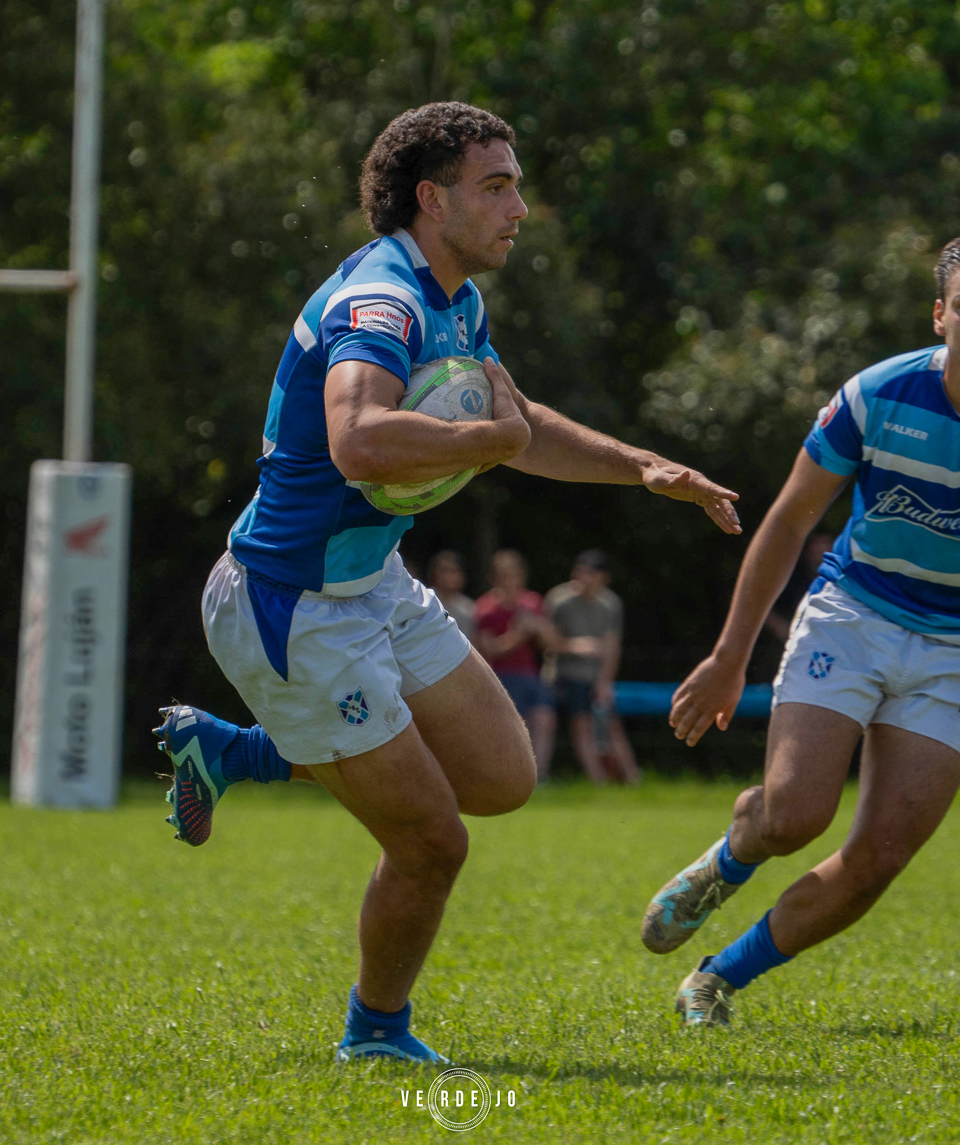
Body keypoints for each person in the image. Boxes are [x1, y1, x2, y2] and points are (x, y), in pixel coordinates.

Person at [153, 102, 740, 1063]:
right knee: (432, 842)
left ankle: (231, 753)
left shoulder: (456, 299)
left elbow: (521, 421)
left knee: (502, 779)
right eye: (496, 187)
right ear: (431, 199)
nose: (519, 207)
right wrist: (489, 442)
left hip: (373, 583)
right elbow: (360, 439)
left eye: (516, 185)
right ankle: (375, 1036)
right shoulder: (382, 301)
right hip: (288, 608)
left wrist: (642, 467)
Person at [645, 230, 960, 1028]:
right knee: (794, 816)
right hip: (852, 614)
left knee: (881, 855)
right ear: (939, 317)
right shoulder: (876, 395)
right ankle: (733, 853)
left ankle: (717, 979)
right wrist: (727, 656)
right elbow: (785, 525)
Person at [545, 549, 640, 784]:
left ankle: (634, 781)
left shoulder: (610, 604)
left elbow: (612, 647)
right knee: (581, 725)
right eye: (580, 572)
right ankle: (598, 783)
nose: (583, 578)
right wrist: (576, 646)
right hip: (566, 675)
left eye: (590, 574)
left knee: (612, 727)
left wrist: (604, 683)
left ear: (603, 578)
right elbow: (548, 644)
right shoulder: (559, 600)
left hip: (596, 677)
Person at [473, 549, 558, 778]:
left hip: (531, 675)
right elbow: (487, 650)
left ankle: (540, 776)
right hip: (500, 678)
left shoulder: (532, 603)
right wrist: (518, 635)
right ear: (494, 578)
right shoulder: (485, 608)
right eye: (504, 576)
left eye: (514, 576)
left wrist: (539, 628)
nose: (510, 582)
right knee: (510, 730)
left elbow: (552, 644)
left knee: (544, 720)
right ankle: (513, 775)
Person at [424, 550, 475, 642]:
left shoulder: (468, 608)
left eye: (453, 571)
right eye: (444, 570)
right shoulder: (423, 600)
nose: (448, 576)